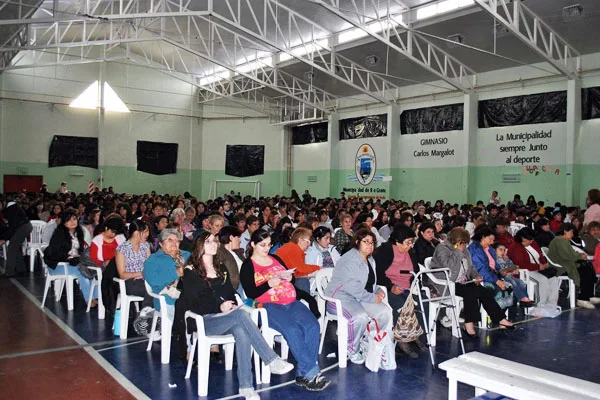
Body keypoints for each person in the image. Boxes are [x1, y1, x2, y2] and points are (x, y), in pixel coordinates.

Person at [176, 232, 294, 400]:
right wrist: (219, 305)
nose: (213, 244)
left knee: (241, 330)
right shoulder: (191, 271)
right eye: (208, 241)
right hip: (203, 320)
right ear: (199, 246)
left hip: (226, 318)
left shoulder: (221, 268)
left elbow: (229, 293)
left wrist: (229, 303)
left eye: (215, 241)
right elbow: (196, 302)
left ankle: (246, 387)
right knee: (240, 316)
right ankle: (271, 359)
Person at [240, 230, 330, 391]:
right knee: (292, 330)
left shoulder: (275, 258)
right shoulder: (248, 265)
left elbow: (291, 277)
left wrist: (290, 278)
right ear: (253, 244)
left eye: (269, 244)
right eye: (262, 245)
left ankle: (304, 373)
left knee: (313, 326)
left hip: (291, 301)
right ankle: (312, 372)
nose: (267, 248)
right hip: (268, 306)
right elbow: (251, 292)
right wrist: (269, 284)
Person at [430, 227, 514, 337]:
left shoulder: (464, 249)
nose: (465, 246)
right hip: (446, 283)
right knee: (470, 293)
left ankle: (500, 318)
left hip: (463, 281)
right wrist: (458, 252)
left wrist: (476, 275)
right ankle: (469, 324)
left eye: (465, 243)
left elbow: (471, 267)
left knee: (484, 291)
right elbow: (448, 267)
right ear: (456, 241)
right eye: (463, 243)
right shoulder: (442, 248)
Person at [325, 229, 392, 365]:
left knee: (384, 312)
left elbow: (370, 282)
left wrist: (378, 290)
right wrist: (372, 298)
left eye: (372, 243)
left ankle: (369, 341)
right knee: (359, 317)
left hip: (360, 297)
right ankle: (352, 350)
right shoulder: (349, 259)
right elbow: (351, 287)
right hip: (339, 297)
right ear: (357, 242)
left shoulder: (370, 259)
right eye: (365, 242)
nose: (370, 245)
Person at [373, 225, 425, 359]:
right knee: (401, 304)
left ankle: (416, 335)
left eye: (411, 242)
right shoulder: (385, 251)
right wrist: (391, 287)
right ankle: (403, 342)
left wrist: (415, 285)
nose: (410, 245)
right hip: (388, 287)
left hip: (407, 287)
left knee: (423, 302)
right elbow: (377, 273)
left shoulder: (411, 252)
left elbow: (415, 271)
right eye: (408, 242)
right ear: (397, 242)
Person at [43, 209, 97, 305]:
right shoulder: (59, 234)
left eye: (74, 219)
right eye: (69, 220)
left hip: (74, 263)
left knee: (92, 270)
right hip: (57, 265)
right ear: (64, 222)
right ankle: (89, 299)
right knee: (82, 271)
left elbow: (80, 250)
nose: (72, 222)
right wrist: (68, 257)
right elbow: (53, 253)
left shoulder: (79, 233)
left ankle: (95, 297)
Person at [547, 223, 599, 309]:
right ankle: (582, 298)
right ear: (565, 231)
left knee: (588, 266)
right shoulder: (559, 241)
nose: (572, 234)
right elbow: (566, 256)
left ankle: (589, 295)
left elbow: (570, 253)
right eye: (571, 232)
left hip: (566, 263)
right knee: (585, 270)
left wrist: (579, 255)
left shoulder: (563, 241)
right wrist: (579, 256)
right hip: (562, 267)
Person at [143, 229, 190, 321]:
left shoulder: (187, 255)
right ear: (161, 244)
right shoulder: (153, 260)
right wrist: (176, 273)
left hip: (189, 292)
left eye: (176, 240)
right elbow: (154, 281)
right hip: (166, 296)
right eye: (169, 240)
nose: (174, 243)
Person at [508, 228, 560, 307]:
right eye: (530, 240)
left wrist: (544, 263)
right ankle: (540, 305)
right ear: (523, 238)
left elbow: (540, 254)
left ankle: (551, 304)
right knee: (542, 281)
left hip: (537, 268)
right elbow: (521, 264)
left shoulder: (532, 243)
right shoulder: (515, 247)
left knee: (554, 279)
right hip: (523, 271)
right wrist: (538, 266)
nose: (532, 242)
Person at [115, 220, 153, 311]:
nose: (148, 234)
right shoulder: (122, 249)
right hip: (130, 282)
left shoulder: (145, 246)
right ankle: (147, 314)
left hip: (146, 280)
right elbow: (122, 274)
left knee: (159, 288)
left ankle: (148, 313)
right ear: (136, 232)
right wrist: (140, 273)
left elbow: (150, 265)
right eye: (145, 232)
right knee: (154, 290)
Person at [275, 227, 320, 293]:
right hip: (281, 280)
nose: (309, 244)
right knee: (303, 281)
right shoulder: (293, 248)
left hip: (287, 278)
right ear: (300, 240)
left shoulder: (294, 248)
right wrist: (318, 268)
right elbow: (301, 269)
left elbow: (299, 271)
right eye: (308, 241)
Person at [1, 201, 33, 277]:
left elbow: (12, 227)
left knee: (12, 248)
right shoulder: (11, 207)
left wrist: (4, 239)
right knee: (15, 246)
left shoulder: (10, 208)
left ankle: (9, 272)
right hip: (26, 226)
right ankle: (21, 268)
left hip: (23, 227)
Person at [217, 225, 243, 294]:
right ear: (231, 237)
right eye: (238, 238)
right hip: (235, 289)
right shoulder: (220, 253)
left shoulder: (237, 253)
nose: (240, 241)